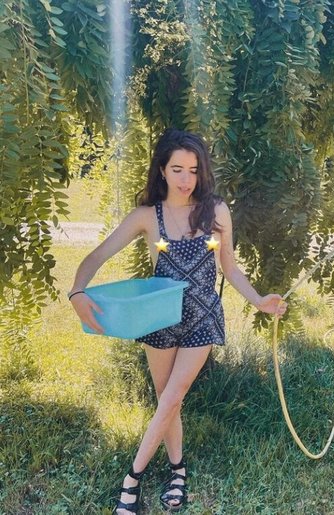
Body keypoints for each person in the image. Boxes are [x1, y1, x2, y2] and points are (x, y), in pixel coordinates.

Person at [68, 128, 287, 514]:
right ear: (162, 170)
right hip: (160, 318)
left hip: (203, 316)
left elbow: (230, 269)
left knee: (174, 395)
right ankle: (177, 469)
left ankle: (131, 480)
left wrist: (259, 301)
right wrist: (77, 292)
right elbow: (96, 256)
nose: (187, 179)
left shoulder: (216, 210)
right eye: (178, 170)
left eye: (194, 170)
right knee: (165, 399)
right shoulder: (147, 216)